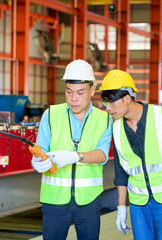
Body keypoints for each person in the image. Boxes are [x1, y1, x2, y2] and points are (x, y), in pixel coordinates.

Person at [97, 69, 162, 239]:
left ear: (127, 98)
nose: (108, 108)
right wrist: (121, 206)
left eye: (111, 103)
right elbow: (121, 170)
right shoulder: (116, 127)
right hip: (138, 204)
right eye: (106, 104)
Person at [31, 59, 112, 240]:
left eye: (80, 92)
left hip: (89, 200)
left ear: (92, 90)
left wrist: (76, 156)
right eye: (69, 92)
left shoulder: (104, 120)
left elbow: (102, 154)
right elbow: (41, 149)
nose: (73, 99)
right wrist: (37, 162)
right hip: (54, 200)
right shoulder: (50, 114)